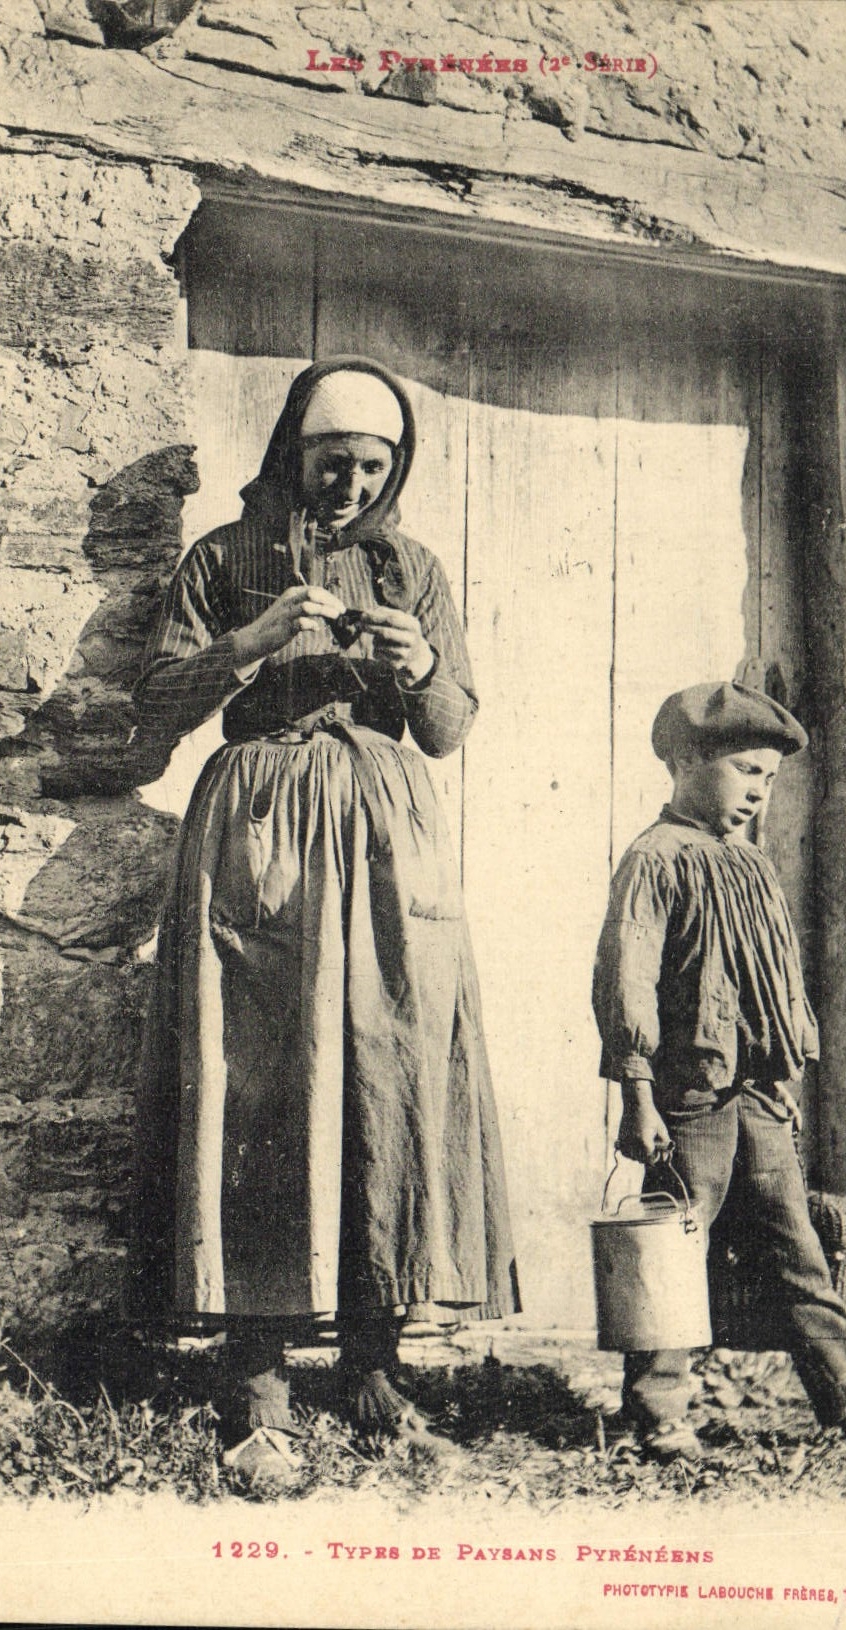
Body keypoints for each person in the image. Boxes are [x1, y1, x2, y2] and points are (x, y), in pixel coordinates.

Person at [132, 357, 519, 1475]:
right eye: (328, 461)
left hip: (389, 835)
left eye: (370, 465)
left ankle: (372, 1367)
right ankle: (256, 1381)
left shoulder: (409, 566)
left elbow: (445, 729)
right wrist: (249, 643)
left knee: (389, 1072)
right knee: (262, 1075)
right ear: (289, 453)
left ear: (394, 469)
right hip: (260, 831)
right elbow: (155, 710)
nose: (347, 484)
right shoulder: (223, 557)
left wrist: (424, 661)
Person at [591, 681, 846, 1460]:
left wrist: (785, 1080)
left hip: (760, 1097)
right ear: (685, 760)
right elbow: (627, 980)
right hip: (691, 1098)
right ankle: (659, 1411)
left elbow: (775, 980)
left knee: (797, 1246)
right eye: (743, 771)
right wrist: (640, 1097)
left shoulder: (752, 865)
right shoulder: (655, 859)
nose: (756, 792)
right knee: (673, 1246)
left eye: (768, 779)